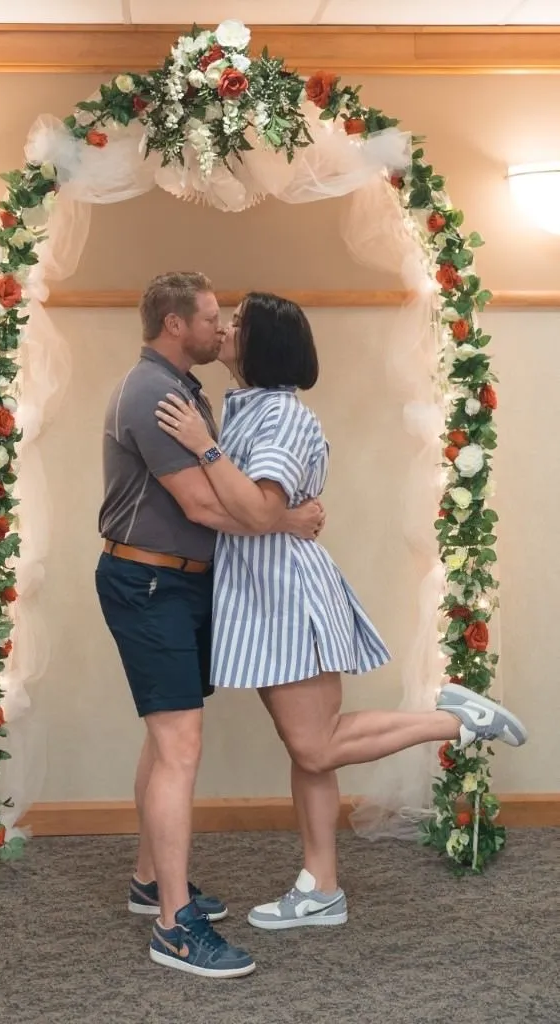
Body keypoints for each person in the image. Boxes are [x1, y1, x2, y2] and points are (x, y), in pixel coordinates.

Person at [156, 290, 528, 932]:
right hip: (263, 592)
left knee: (318, 743)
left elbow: (257, 506)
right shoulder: (248, 408)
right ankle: (320, 886)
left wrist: (204, 447)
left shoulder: (281, 417)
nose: (227, 331)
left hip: (285, 595)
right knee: (309, 752)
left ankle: (451, 719)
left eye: (239, 323)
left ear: (265, 344)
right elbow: (271, 510)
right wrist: (286, 511)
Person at [95, 273, 323, 977]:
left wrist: (269, 514)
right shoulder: (155, 394)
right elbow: (206, 507)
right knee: (179, 749)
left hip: (182, 584)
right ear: (173, 325)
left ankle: (146, 879)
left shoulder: (189, 391)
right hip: (150, 581)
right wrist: (289, 519)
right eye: (209, 318)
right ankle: (173, 926)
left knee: (166, 741)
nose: (221, 329)